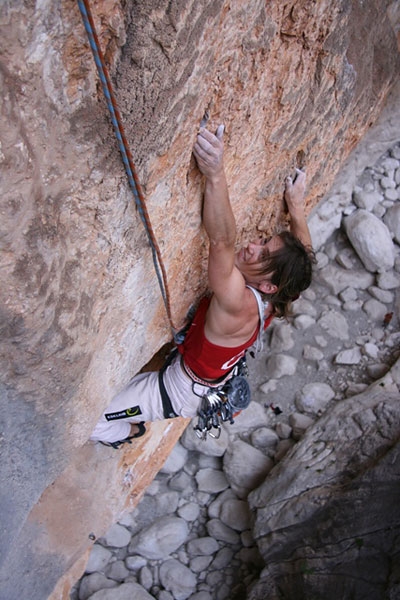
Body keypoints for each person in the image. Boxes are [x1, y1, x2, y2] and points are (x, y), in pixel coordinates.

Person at [90, 124, 314, 448]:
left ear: (267, 286)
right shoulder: (279, 298)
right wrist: (296, 206)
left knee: (93, 422)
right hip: (213, 381)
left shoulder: (238, 303)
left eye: (262, 253)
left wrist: (215, 173)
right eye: (264, 240)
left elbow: (222, 240)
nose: (252, 245)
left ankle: (130, 432)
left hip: (175, 391)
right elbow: (305, 258)